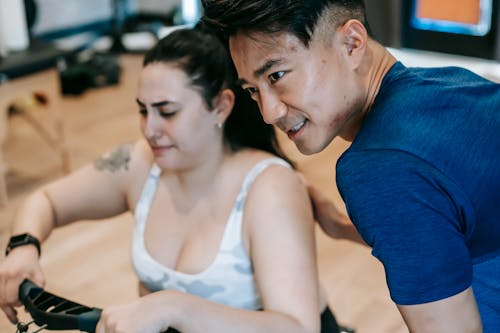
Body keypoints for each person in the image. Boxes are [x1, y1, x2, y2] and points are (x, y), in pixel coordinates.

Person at [0, 26, 344, 332]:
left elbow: (297, 326)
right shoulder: (140, 164)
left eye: (167, 112)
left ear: (221, 107)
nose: (149, 129)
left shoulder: (269, 187)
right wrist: (23, 247)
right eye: (142, 110)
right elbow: (45, 201)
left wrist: (173, 307)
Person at [201, 1, 500, 332]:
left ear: (352, 44)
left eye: (277, 75)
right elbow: (448, 224)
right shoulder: (452, 83)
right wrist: (345, 227)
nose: (269, 113)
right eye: (253, 91)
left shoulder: (379, 167)